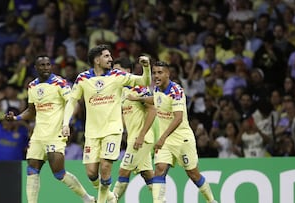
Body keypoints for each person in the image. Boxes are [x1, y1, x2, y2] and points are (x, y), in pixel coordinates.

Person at [62, 44, 151, 203]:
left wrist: (146, 67)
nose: (111, 59)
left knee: (105, 168)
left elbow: (144, 81)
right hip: (92, 133)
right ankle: (110, 197)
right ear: (97, 60)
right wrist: (65, 123)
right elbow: (72, 101)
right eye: (107, 56)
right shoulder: (83, 78)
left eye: (110, 56)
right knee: (91, 173)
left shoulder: (117, 75)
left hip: (112, 130)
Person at [5, 55, 96, 203]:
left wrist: (67, 123)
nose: (46, 67)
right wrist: (16, 118)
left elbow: (74, 103)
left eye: (48, 64)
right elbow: (31, 110)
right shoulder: (32, 86)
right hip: (38, 136)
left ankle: (87, 198)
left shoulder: (59, 83)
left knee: (59, 173)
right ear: (36, 68)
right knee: (32, 170)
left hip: (56, 134)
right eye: (42, 65)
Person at [129, 61, 217, 203]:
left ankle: (212, 201)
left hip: (182, 139)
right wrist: (138, 98)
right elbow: (156, 100)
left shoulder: (176, 91)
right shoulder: (157, 89)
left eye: (160, 72)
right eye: (154, 72)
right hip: (166, 141)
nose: (156, 76)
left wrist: (162, 137)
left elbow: (178, 118)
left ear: (167, 74)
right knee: (159, 169)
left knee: (193, 174)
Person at [111, 57, 156, 200]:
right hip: (134, 138)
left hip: (142, 139)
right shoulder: (122, 92)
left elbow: (153, 109)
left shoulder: (139, 88)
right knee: (147, 174)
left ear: (128, 72)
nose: (115, 74)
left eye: (118, 71)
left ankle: (112, 200)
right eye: (113, 71)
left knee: (123, 171)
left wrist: (141, 135)